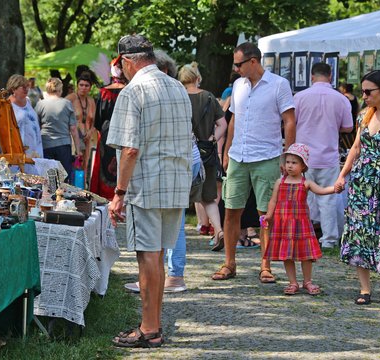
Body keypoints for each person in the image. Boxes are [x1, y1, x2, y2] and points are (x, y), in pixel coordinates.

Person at [108, 34, 192, 348]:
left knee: (148, 258)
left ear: (127, 61)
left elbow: (129, 150)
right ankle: (153, 325)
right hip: (175, 182)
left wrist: (119, 192)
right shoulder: (177, 86)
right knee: (157, 258)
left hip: (146, 184)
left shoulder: (134, 91)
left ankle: (149, 328)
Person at [212, 42, 296, 283]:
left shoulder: (279, 84)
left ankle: (265, 265)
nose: (235, 68)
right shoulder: (238, 86)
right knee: (230, 211)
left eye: (239, 64)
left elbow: (289, 121)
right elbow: (234, 121)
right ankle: (229, 263)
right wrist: (226, 152)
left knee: (265, 215)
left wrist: (287, 156)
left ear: (253, 61)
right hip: (239, 155)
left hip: (267, 156)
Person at [335, 70, 380, 311]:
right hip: (362, 185)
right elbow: (355, 149)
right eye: (362, 91)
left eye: (368, 91)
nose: (363, 95)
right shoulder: (364, 116)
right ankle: (365, 289)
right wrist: (342, 175)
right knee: (360, 233)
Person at [264, 143, 335, 295]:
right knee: (287, 255)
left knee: (306, 255)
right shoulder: (280, 182)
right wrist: (269, 215)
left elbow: (321, 191)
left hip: (301, 224)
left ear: (303, 166)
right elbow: (273, 200)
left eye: (294, 163)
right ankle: (292, 282)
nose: (290, 166)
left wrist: (335, 188)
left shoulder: (306, 183)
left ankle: (307, 281)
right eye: (288, 162)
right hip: (283, 223)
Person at [294, 63, 353, 248]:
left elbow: (290, 122)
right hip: (328, 155)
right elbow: (348, 127)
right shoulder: (340, 99)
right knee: (328, 198)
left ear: (312, 76)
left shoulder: (299, 97)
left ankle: (304, 235)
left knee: (302, 197)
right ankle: (329, 239)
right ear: (331, 76)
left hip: (303, 156)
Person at [178, 62, 227, 251]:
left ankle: (177, 240)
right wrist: (212, 138)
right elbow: (222, 124)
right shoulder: (208, 97)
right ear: (197, 78)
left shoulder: (178, 97)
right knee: (208, 196)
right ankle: (219, 230)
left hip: (183, 151)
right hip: (205, 151)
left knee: (179, 196)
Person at [90, 59, 126, 199]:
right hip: (125, 131)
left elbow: (98, 120)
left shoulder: (104, 92)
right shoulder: (130, 90)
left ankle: (105, 194)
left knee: (105, 164)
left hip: (107, 131)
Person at [35, 77, 82, 181]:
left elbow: (36, 127)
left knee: (48, 178)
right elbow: (73, 129)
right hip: (63, 145)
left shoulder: (40, 104)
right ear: (60, 89)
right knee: (63, 178)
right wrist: (78, 150)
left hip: (46, 144)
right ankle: (62, 196)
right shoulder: (67, 104)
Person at [65, 72, 96, 178]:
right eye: (81, 85)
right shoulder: (70, 99)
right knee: (74, 165)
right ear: (77, 86)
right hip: (73, 137)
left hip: (87, 138)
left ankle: (82, 188)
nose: (83, 88)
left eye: (86, 85)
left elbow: (94, 121)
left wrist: (90, 131)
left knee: (85, 166)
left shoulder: (91, 101)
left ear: (90, 87)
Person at [7, 75, 43, 159]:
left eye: (27, 86)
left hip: (35, 145)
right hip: (19, 149)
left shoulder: (28, 101)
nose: (26, 89)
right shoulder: (7, 105)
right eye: (23, 87)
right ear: (13, 89)